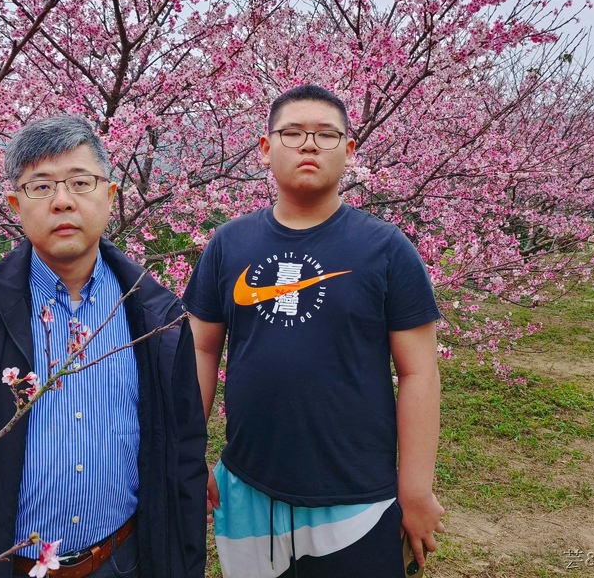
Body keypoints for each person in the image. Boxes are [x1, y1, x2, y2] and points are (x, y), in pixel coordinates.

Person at [0, 116, 208, 578]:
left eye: (81, 182)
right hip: (4, 564)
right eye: (41, 187)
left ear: (110, 195)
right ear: (16, 204)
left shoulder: (155, 312)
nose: (63, 201)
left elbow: (182, 453)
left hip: (124, 557)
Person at [183, 85, 445, 578]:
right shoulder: (229, 243)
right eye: (293, 133)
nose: (309, 145)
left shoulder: (386, 249)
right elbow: (200, 349)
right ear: (265, 148)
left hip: (357, 493)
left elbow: (419, 372)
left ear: (348, 152)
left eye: (326, 135)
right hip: (247, 486)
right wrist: (188, 455)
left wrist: (414, 490)